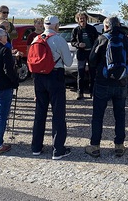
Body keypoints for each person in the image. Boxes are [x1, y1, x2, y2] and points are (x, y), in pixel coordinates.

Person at [85, 16, 128, 157]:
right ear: (118, 25)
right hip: (121, 82)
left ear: (106, 26)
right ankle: (119, 145)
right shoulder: (125, 39)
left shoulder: (102, 38)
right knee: (120, 115)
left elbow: (92, 60)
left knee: (98, 115)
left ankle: (95, 146)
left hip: (103, 82)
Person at [31, 15, 73, 160]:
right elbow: (68, 62)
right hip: (55, 77)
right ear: (56, 26)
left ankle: (36, 147)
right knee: (58, 114)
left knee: (40, 113)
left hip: (38, 78)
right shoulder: (59, 39)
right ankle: (58, 150)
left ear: (44, 25)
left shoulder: (36, 39)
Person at [70, 12, 98, 100]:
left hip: (91, 53)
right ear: (78, 20)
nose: (82, 20)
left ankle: (92, 92)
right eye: (80, 18)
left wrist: (95, 48)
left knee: (92, 73)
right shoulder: (76, 30)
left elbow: (97, 40)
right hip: (81, 54)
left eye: (83, 18)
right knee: (80, 74)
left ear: (86, 19)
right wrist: (78, 44)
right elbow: (72, 42)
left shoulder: (92, 29)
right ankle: (80, 93)